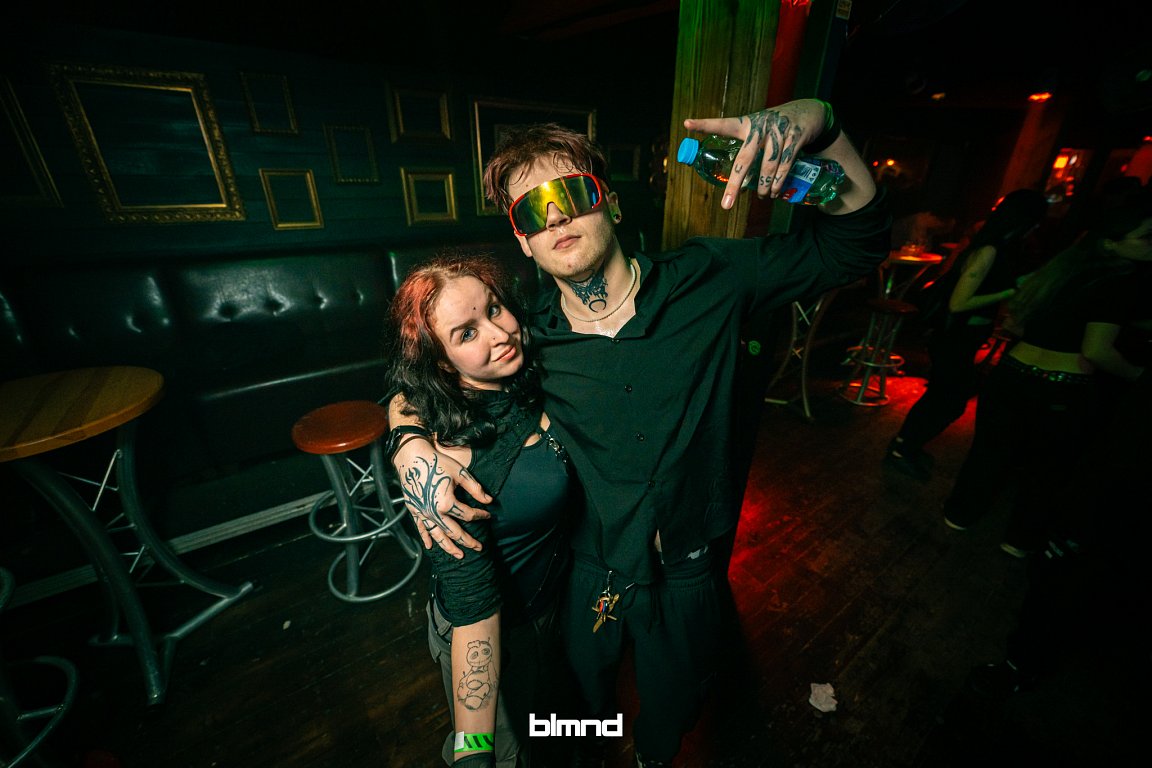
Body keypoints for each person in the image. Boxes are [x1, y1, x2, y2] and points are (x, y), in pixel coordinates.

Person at [389, 97, 891, 766]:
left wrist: (823, 121)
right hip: (588, 573)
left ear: (612, 203)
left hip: (689, 569)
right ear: (524, 241)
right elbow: (427, 379)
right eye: (532, 211)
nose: (556, 216)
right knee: (578, 714)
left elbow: (858, 242)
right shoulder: (525, 334)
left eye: (572, 194)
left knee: (671, 711)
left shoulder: (711, 280)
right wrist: (407, 442)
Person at [383, 254, 576, 768]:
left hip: (553, 610)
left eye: (494, 309)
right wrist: (474, 753)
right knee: (507, 750)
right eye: (466, 333)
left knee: (554, 730)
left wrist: (403, 436)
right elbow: (473, 611)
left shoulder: (524, 374)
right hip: (496, 636)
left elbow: (403, 397)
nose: (499, 333)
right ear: (443, 362)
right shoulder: (449, 469)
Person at [939, 196, 1151, 556]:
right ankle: (1018, 539)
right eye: (1145, 237)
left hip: (1011, 375)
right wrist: (1138, 375)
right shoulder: (1117, 281)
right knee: (1047, 469)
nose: (1151, 245)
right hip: (1060, 386)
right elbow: (1096, 350)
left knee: (988, 454)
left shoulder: (1059, 270)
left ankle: (958, 515)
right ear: (1110, 243)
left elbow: (1015, 323)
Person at [885, 189, 1048, 481]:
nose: (1036, 230)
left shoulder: (995, 247)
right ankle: (902, 447)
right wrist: (1012, 290)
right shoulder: (989, 251)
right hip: (954, 336)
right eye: (1035, 223)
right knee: (948, 399)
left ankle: (906, 445)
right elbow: (958, 303)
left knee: (945, 397)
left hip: (961, 336)